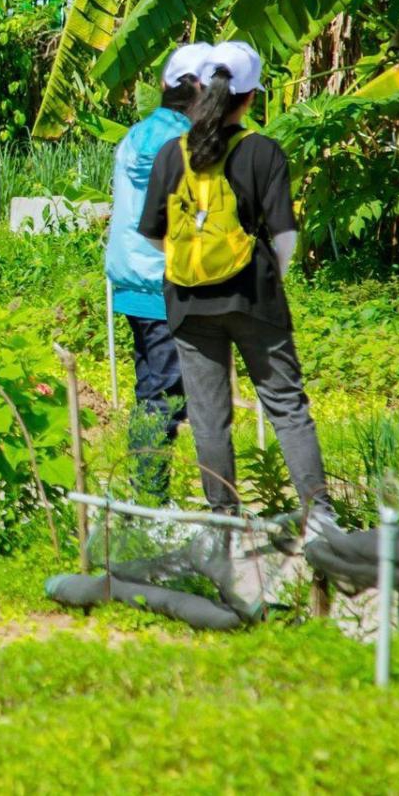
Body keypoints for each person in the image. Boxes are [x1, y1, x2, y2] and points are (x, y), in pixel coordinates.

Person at [136, 41, 335, 528]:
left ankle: (224, 518)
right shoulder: (262, 151)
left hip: (186, 302)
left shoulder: (171, 154)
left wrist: (194, 267)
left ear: (201, 89)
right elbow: (286, 236)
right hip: (253, 299)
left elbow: (154, 234)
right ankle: (319, 517)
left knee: (208, 417)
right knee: (286, 407)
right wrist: (265, 279)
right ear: (250, 98)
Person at [106, 42, 210, 505]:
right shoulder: (179, 143)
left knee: (152, 389)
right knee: (164, 396)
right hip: (161, 284)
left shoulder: (139, 134)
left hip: (134, 283)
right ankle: (149, 500)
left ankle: (146, 495)